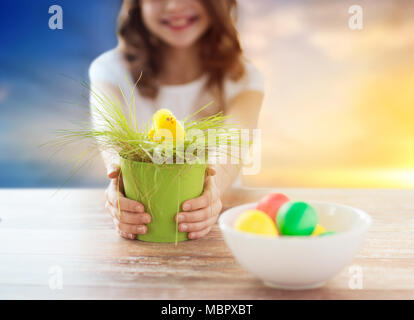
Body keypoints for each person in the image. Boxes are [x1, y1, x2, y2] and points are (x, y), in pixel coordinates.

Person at [89, 0, 264, 240]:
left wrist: (211, 191)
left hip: (217, 230)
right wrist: (118, 185)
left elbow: (235, 139)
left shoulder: (243, 77)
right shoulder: (109, 70)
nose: (173, 6)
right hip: (145, 230)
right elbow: (110, 138)